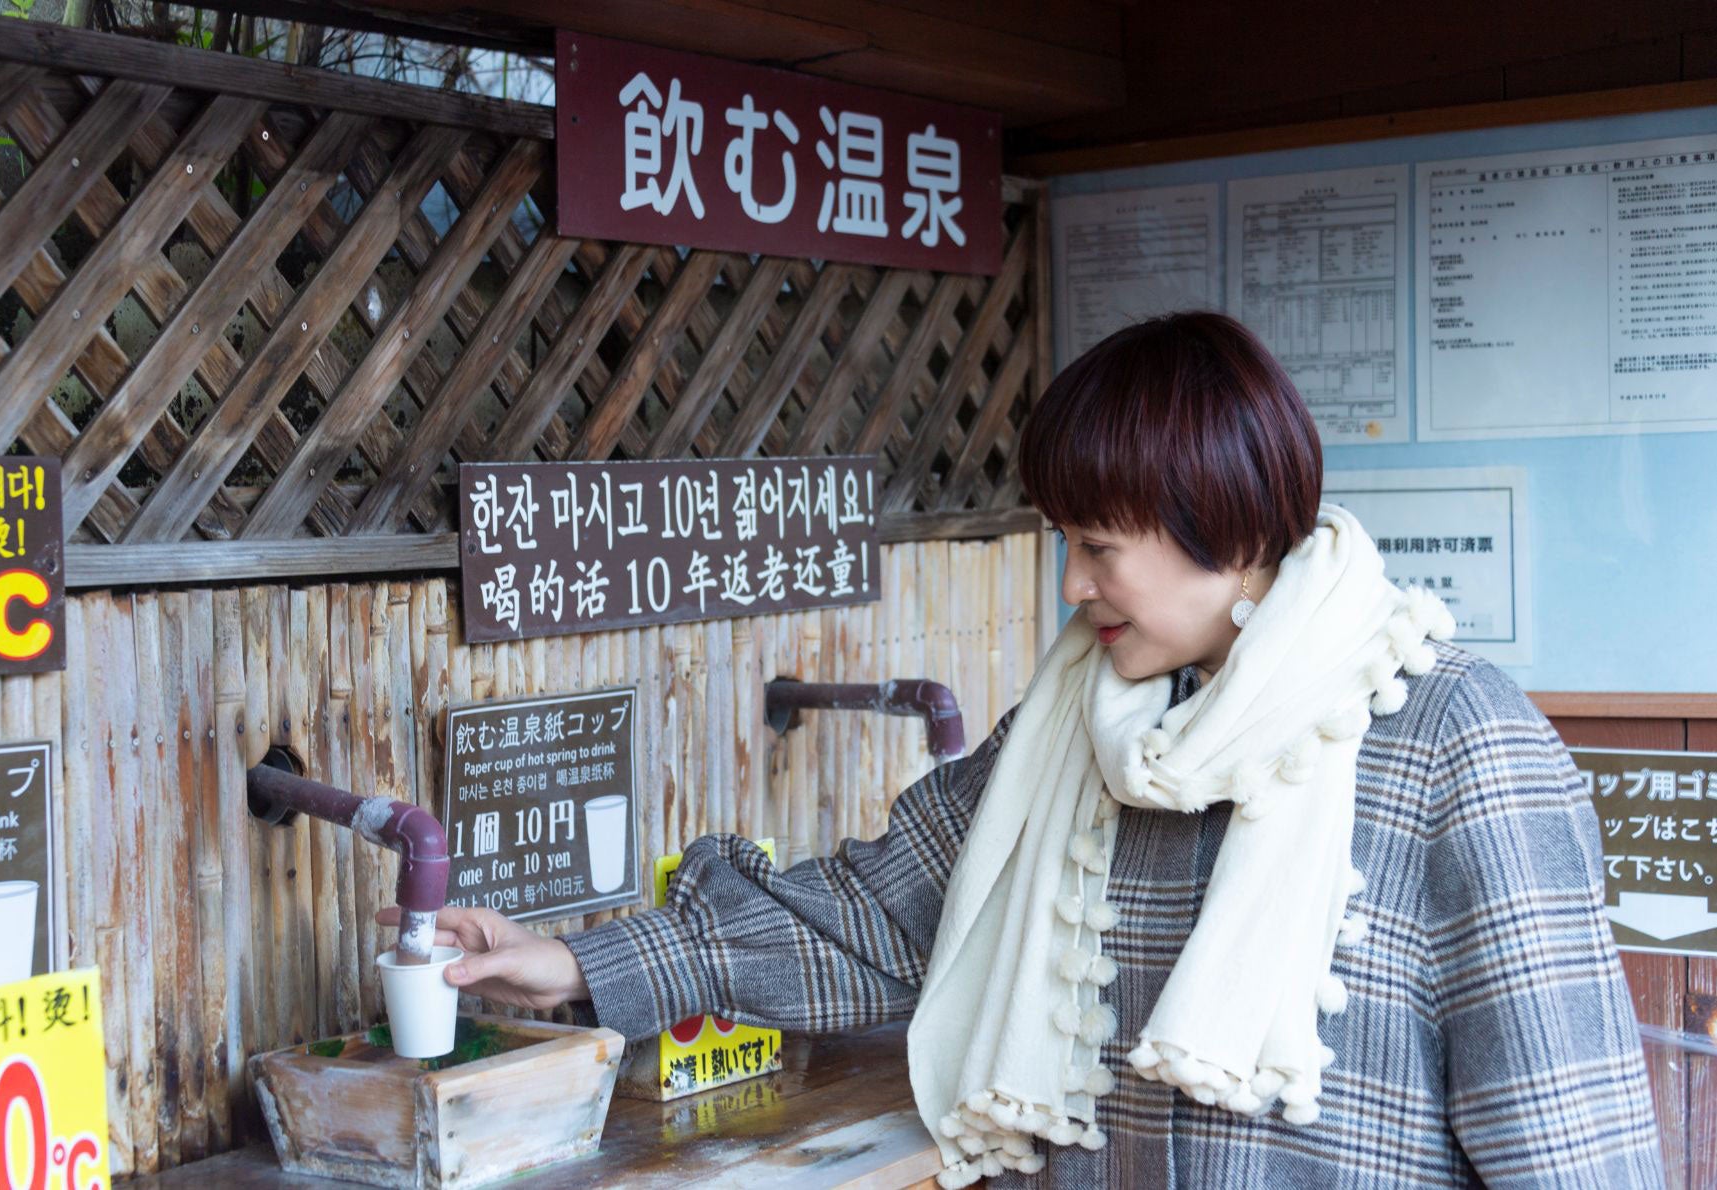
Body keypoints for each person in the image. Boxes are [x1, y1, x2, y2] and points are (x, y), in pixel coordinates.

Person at [380, 312, 1661, 1187]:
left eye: (1100, 546)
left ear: (1222, 520)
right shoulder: (1072, 725)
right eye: (1067, 541)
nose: (1071, 584)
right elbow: (869, 916)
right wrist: (575, 964)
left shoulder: (1454, 742)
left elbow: (1568, 1136)